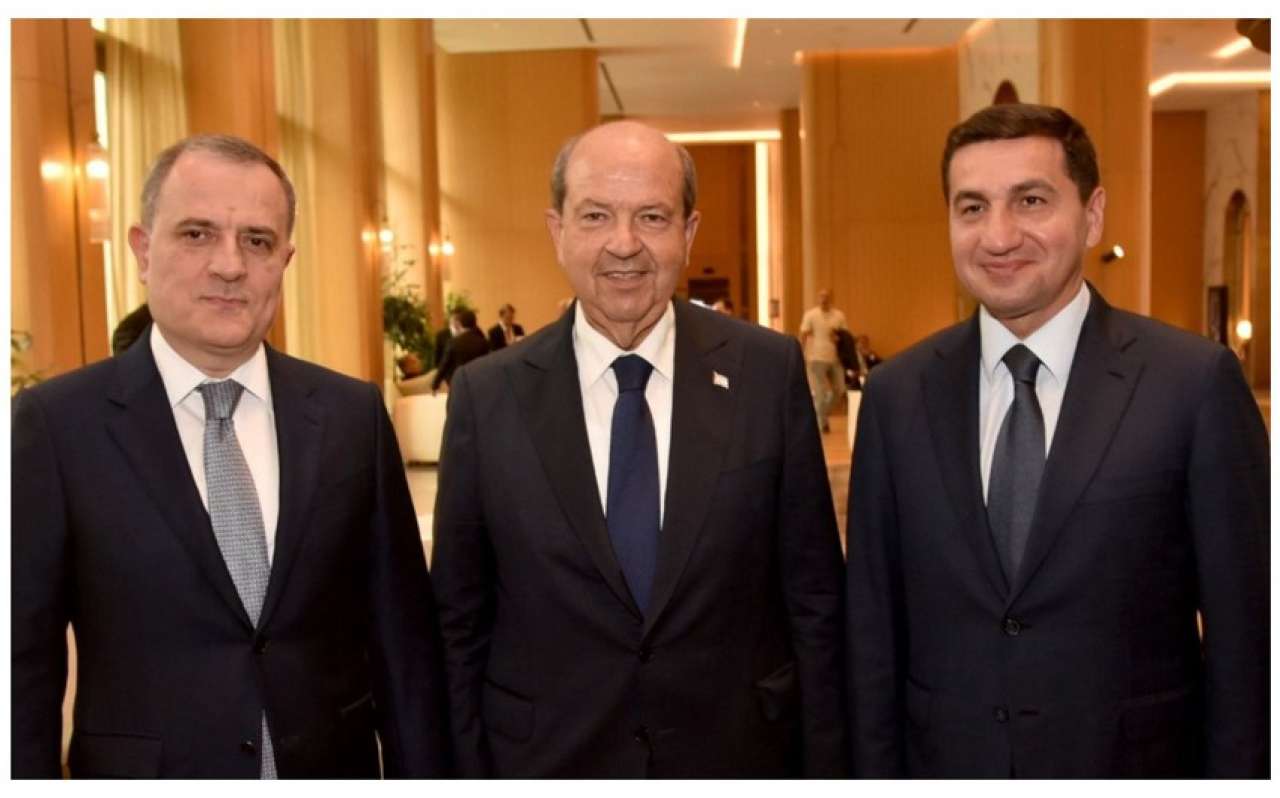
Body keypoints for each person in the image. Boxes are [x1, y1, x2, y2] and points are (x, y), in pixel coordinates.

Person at [845, 103, 1269, 778]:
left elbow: (1248, 636)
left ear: (1092, 215)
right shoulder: (897, 396)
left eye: (1031, 201)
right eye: (973, 207)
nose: (999, 235)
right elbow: (871, 631)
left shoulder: (1192, 383)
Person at [11, 134, 449, 778]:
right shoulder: (57, 426)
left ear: (285, 260)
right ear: (142, 250)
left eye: (257, 241)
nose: (229, 265)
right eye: (197, 234)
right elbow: (22, 669)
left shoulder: (351, 417)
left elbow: (403, 647)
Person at [432, 120, 846, 777]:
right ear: (557, 231)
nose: (624, 244)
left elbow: (815, 599)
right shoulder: (488, 396)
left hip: (736, 758)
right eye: (595, 216)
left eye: (652, 217)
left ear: (688, 232)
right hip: (546, 762)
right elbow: (458, 621)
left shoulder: (766, 373)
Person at [799, 288, 847, 432]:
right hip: (816, 358)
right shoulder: (811, 315)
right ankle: (822, 423)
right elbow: (803, 334)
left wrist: (837, 338)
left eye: (826, 296)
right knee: (820, 394)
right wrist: (800, 353)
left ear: (831, 298)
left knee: (840, 389)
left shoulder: (839, 315)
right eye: (821, 296)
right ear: (818, 298)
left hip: (835, 358)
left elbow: (845, 336)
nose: (824, 299)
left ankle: (820, 415)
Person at [431, 308, 489, 392]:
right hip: (478, 381)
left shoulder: (453, 342)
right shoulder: (483, 342)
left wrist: (435, 384)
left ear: (460, 323)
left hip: (459, 381)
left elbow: (444, 364)